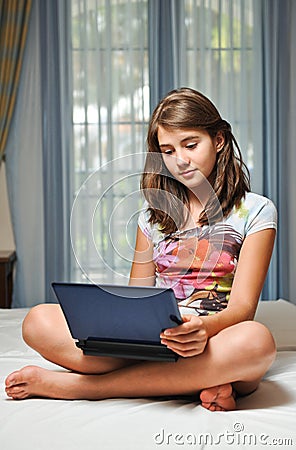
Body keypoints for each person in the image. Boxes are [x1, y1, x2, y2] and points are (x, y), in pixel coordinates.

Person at [5, 88, 277, 411]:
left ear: (218, 140)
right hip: (156, 342)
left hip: (215, 339)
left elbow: (243, 309)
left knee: (258, 342)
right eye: (168, 150)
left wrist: (203, 329)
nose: (181, 160)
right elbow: (139, 299)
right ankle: (200, 381)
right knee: (36, 321)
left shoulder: (256, 211)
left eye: (191, 145)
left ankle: (83, 387)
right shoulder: (152, 219)